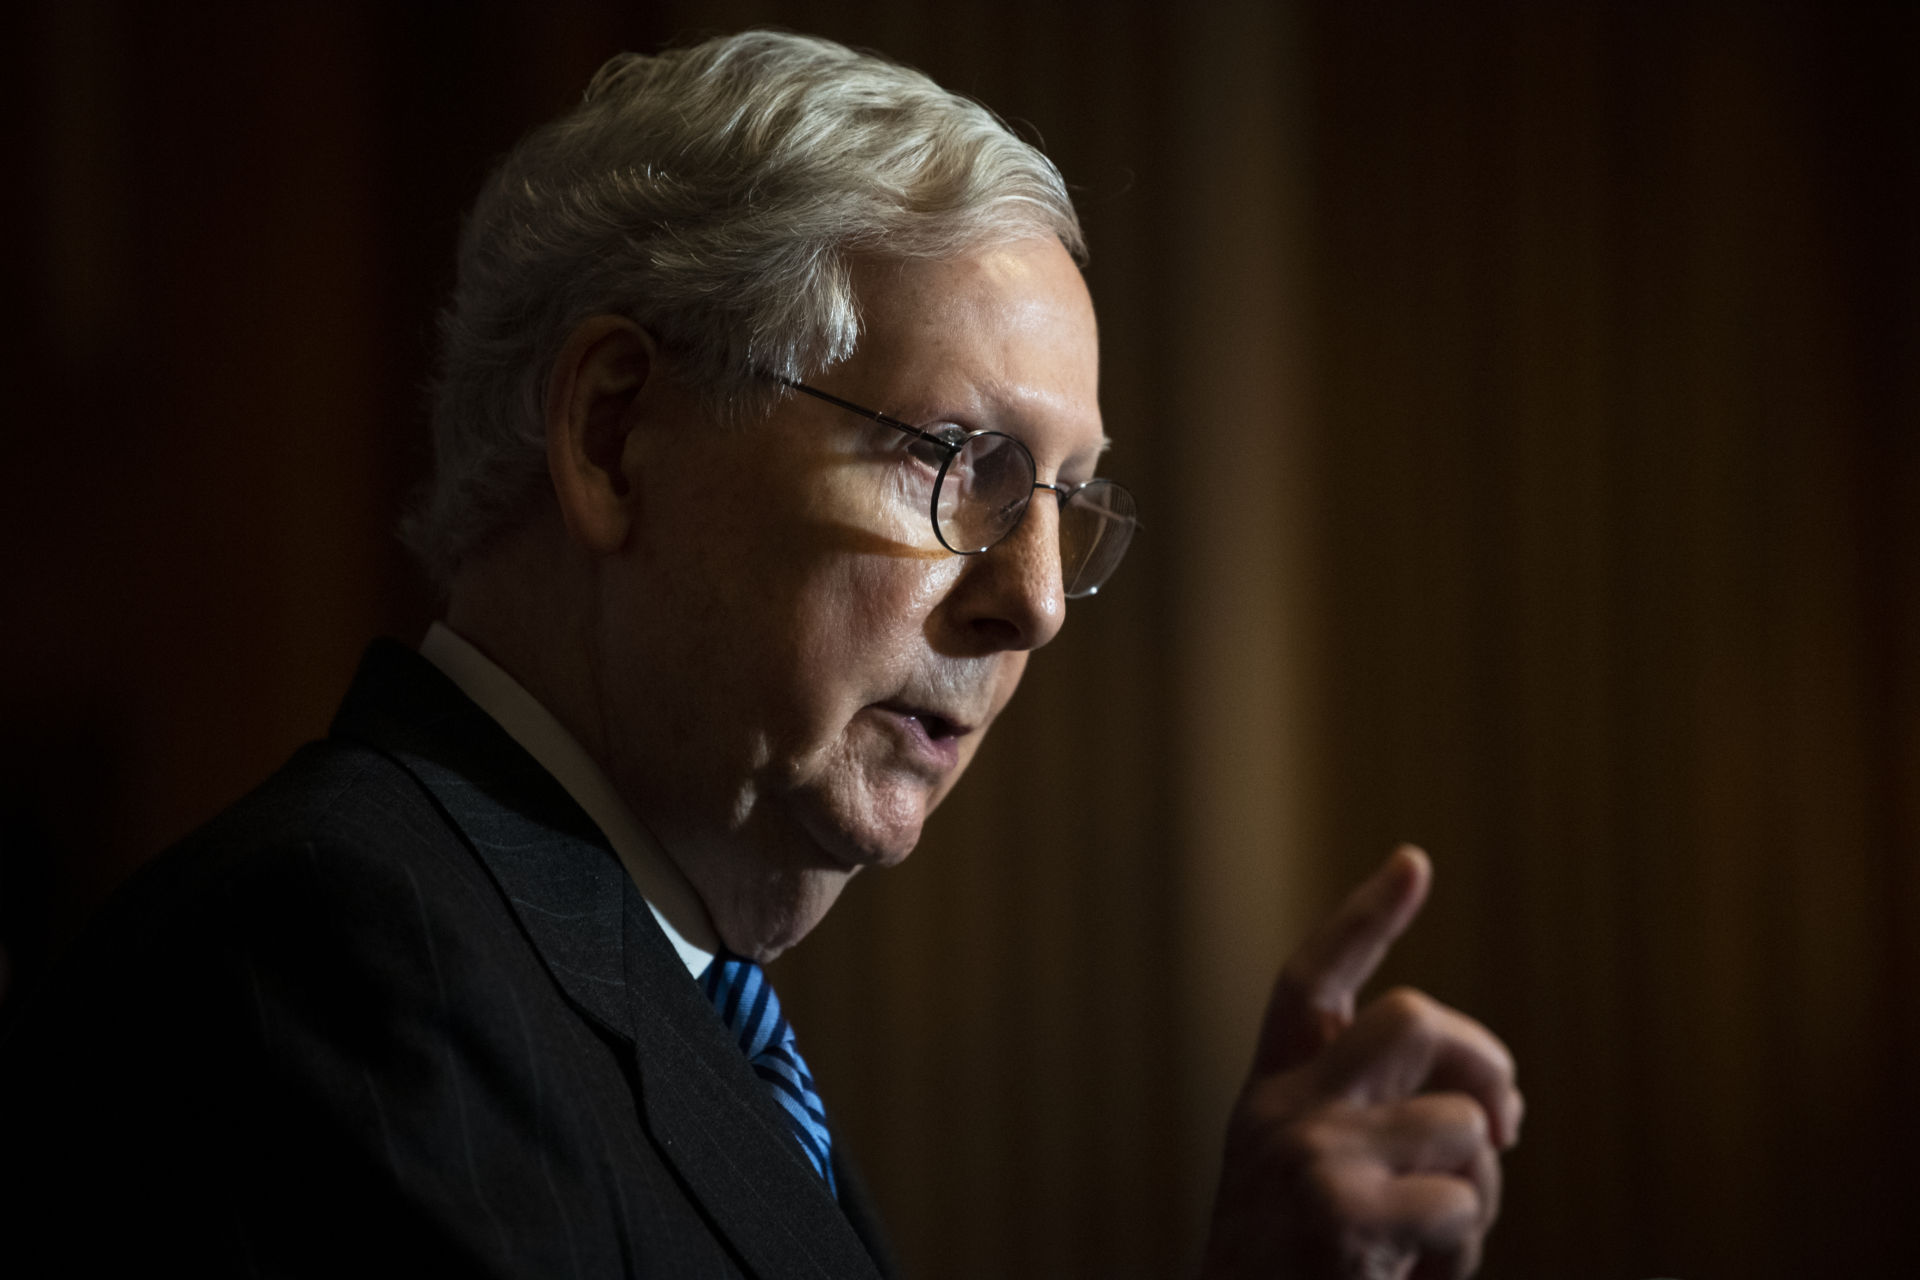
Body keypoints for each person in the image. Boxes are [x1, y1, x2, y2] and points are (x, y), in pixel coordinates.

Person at [0, 31, 1519, 1278]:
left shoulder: (659, 990)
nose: (1039, 603)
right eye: (958, 462)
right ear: (616, 436)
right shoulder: (345, 957)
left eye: (1069, 500)